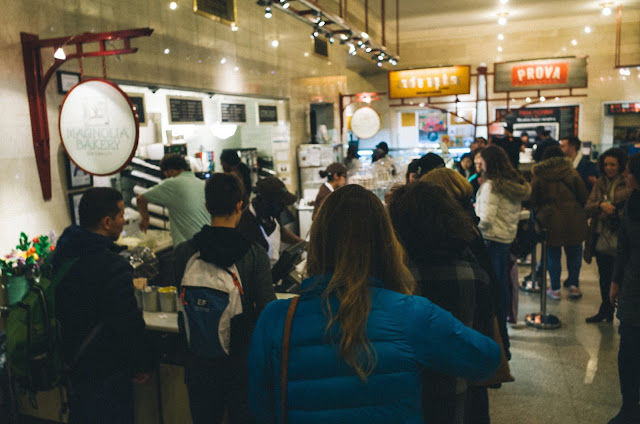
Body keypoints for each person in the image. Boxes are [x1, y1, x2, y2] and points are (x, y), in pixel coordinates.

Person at [248, 184, 501, 424]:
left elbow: (261, 409)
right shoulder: (412, 314)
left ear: (319, 242)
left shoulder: (276, 318)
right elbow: (487, 360)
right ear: (386, 242)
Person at [388, 181, 495, 424]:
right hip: (458, 395)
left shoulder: (394, 279)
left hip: (405, 395)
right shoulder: (474, 276)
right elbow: (482, 343)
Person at [174, 173, 276, 424]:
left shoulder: (184, 252)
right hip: (240, 363)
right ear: (240, 205)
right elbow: (268, 312)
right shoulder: (253, 254)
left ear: (207, 206)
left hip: (197, 362)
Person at [53, 187, 157, 424]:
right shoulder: (111, 266)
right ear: (107, 222)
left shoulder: (63, 253)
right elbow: (126, 322)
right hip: (106, 371)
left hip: (71, 362)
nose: (124, 221)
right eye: (121, 216)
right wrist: (142, 363)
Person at [475, 145, 531, 321]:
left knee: (494, 283)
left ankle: (497, 320)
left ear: (488, 162)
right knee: (503, 281)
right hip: (506, 236)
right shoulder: (513, 183)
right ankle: (504, 317)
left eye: (481, 161)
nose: (480, 165)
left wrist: (473, 225)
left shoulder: (491, 186)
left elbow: (486, 218)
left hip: (491, 238)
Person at [530, 146, 588, 300]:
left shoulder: (539, 174)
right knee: (574, 252)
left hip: (550, 219)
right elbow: (583, 195)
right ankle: (574, 286)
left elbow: (532, 199)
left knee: (552, 254)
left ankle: (555, 288)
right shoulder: (571, 171)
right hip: (573, 216)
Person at [608, 152, 640, 424]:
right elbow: (624, 247)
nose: (625, 175)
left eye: (628, 171)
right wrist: (616, 280)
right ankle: (630, 405)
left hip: (633, 280)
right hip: (633, 282)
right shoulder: (631, 202)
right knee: (628, 349)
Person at [584, 148, 631, 323]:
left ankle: (623, 313)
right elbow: (588, 207)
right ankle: (606, 309)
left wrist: (614, 210)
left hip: (620, 237)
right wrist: (600, 205)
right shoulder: (600, 182)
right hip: (600, 235)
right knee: (604, 276)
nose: (609, 168)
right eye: (606, 164)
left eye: (613, 164)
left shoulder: (627, 182)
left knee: (620, 276)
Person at [137, 154, 210, 246]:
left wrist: (145, 218)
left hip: (189, 248)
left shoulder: (171, 183)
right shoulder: (201, 183)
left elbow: (141, 199)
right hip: (207, 242)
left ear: (170, 171)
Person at [236, 176, 303, 267]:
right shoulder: (245, 224)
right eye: (280, 204)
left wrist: (303, 244)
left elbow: (280, 230)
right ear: (267, 203)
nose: (283, 208)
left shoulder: (271, 215)